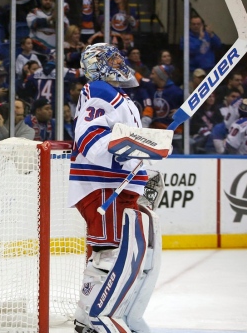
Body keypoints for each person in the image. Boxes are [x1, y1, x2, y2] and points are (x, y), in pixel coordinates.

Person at [70, 43, 172, 333]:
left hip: (115, 184)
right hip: (102, 186)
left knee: (116, 254)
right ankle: (94, 319)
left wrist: (146, 156)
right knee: (109, 255)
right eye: (113, 58)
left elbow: (122, 143)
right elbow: (90, 141)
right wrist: (133, 147)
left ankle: (92, 316)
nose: (120, 62)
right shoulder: (99, 91)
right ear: (98, 65)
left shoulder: (121, 97)